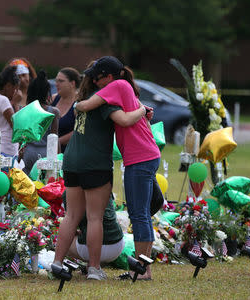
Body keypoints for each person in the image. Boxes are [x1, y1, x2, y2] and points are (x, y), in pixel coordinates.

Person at [52, 61, 147, 280]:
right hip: (95, 163)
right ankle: (94, 269)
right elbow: (123, 121)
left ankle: (57, 263)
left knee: (72, 215)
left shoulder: (82, 98)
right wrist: (142, 110)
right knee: (95, 218)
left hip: (71, 160)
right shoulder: (106, 99)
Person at [75, 56, 160, 280]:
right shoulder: (124, 86)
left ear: (109, 77)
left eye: (97, 78)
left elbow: (85, 105)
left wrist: (76, 104)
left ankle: (141, 270)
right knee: (141, 214)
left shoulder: (116, 85)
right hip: (145, 156)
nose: (94, 82)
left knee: (139, 214)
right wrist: (142, 110)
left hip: (140, 158)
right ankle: (144, 269)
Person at [65, 193, 125, 265]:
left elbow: (71, 225)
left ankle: (93, 266)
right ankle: (95, 266)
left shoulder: (70, 192)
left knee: (64, 240)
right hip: (118, 245)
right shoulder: (104, 185)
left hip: (92, 248)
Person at [21, 70, 60, 175]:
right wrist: (59, 157)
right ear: (47, 92)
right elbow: (54, 137)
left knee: (29, 185)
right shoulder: (53, 112)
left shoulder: (24, 111)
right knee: (45, 185)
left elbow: (21, 137)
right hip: (46, 154)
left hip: (28, 152)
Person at [51, 67, 81, 153]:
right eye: (56, 81)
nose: (56, 84)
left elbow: (79, 130)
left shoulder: (80, 104)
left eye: (60, 81)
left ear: (72, 83)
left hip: (70, 152)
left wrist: (57, 141)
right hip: (51, 151)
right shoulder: (53, 99)